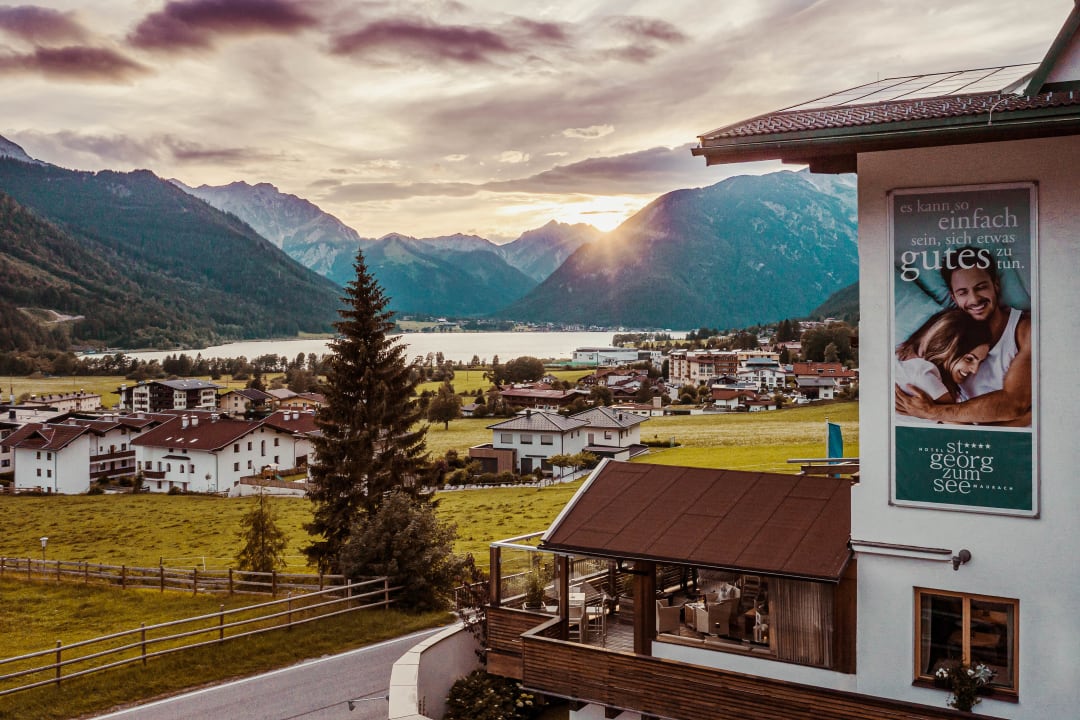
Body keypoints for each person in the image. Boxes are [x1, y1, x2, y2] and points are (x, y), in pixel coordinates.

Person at [894, 246, 1032, 426]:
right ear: (953, 296)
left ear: (996, 285)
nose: (974, 299)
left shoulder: (1024, 330)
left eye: (981, 287)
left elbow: (1015, 404)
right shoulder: (946, 334)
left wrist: (933, 412)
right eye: (963, 292)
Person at [895, 309, 992, 418]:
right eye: (969, 359)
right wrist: (932, 412)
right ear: (944, 348)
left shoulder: (903, 361)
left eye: (980, 362)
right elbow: (961, 427)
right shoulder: (923, 374)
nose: (975, 370)